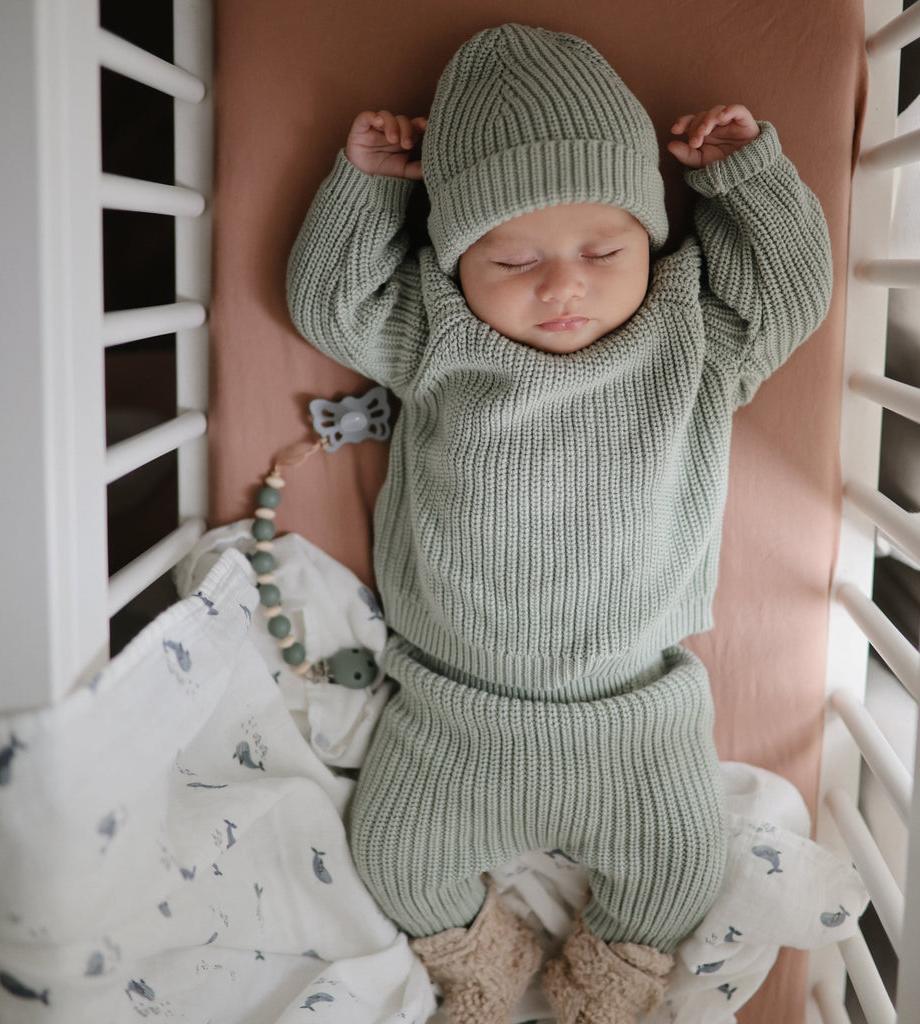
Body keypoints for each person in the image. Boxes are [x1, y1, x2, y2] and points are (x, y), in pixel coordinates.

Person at [287, 23, 832, 1024]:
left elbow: (791, 295)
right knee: (394, 863)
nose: (562, 284)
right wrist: (367, 188)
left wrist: (744, 179)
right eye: (513, 259)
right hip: (451, 711)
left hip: (635, 714)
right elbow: (328, 305)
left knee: (679, 875)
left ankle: (604, 985)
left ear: (649, 243)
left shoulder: (694, 340)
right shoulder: (435, 334)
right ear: (456, 264)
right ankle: (481, 962)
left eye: (602, 250)